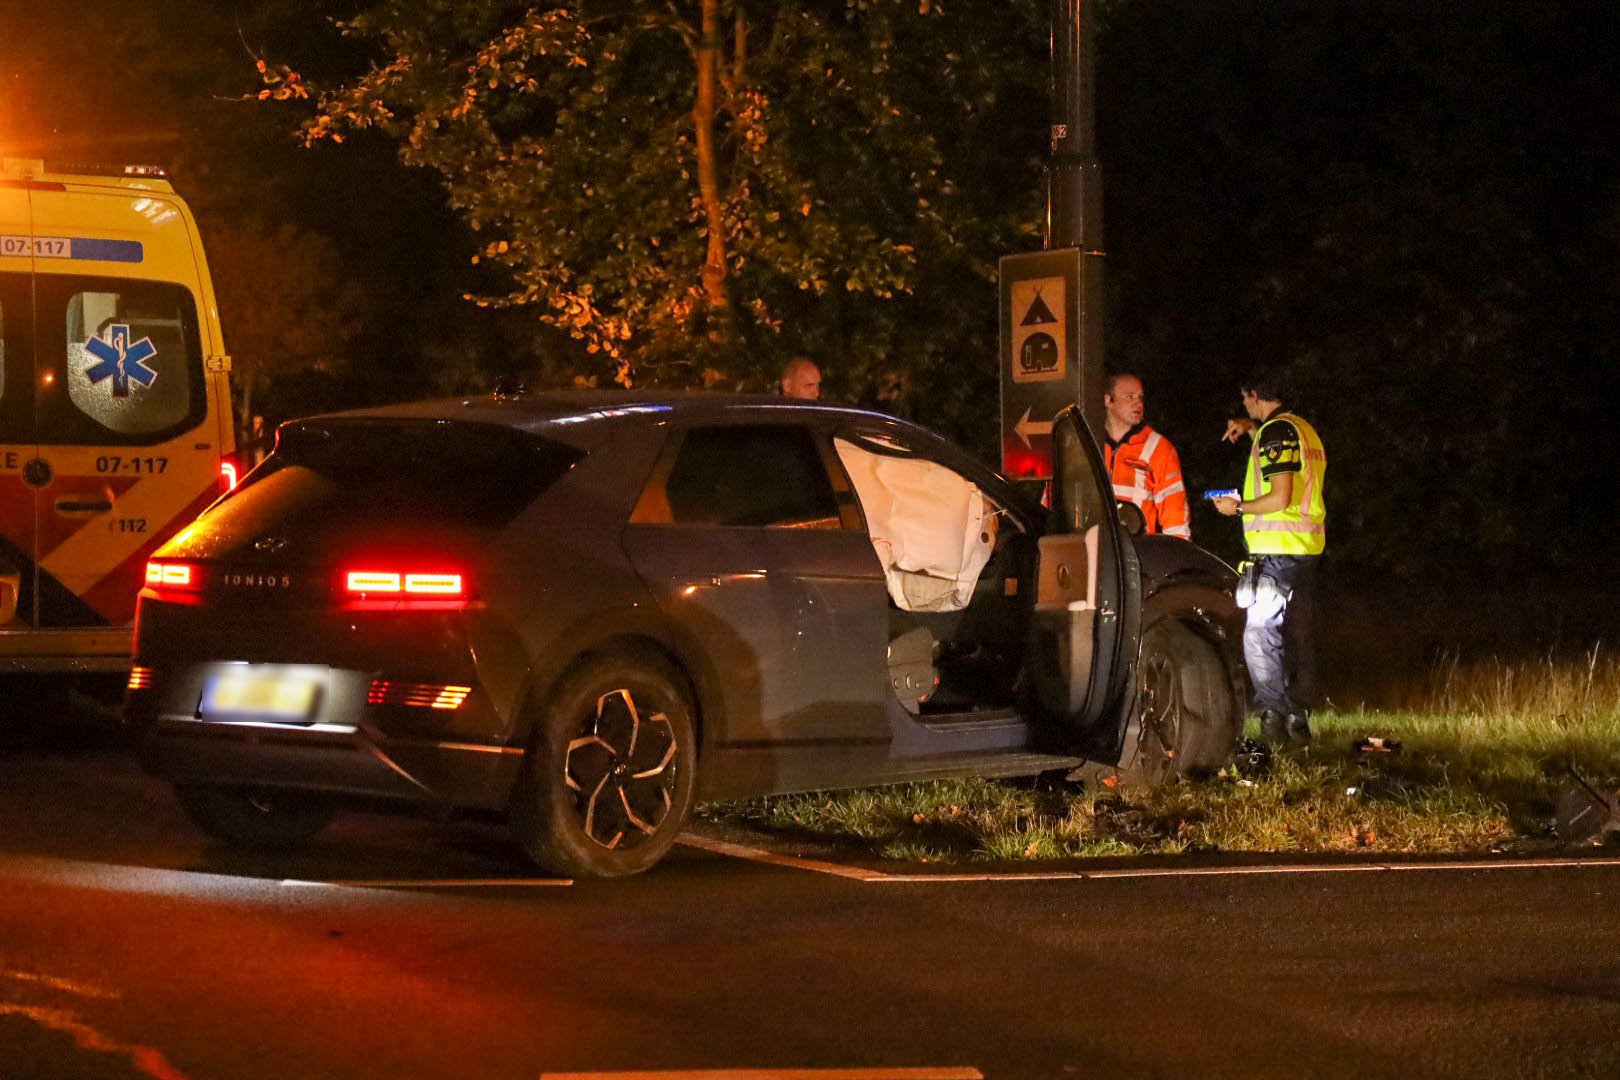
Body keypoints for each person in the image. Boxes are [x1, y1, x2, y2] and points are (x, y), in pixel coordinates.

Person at [1213, 372, 1327, 745]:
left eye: (1245, 399)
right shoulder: (1303, 430)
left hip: (1279, 549)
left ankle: (1274, 713)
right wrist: (1249, 427)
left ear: (1256, 395)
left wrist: (1237, 507)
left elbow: (1280, 496)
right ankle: (1298, 715)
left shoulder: (1276, 433)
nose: (1244, 405)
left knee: (1260, 633)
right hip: (1305, 548)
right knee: (1298, 634)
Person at [1100, 373, 1190, 538]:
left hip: (1137, 550)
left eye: (1140, 397)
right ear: (1108, 400)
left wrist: (1177, 551)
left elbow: (1175, 516)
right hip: (1092, 546)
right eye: (1130, 397)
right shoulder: (1089, 441)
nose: (1138, 404)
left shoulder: (1159, 448)